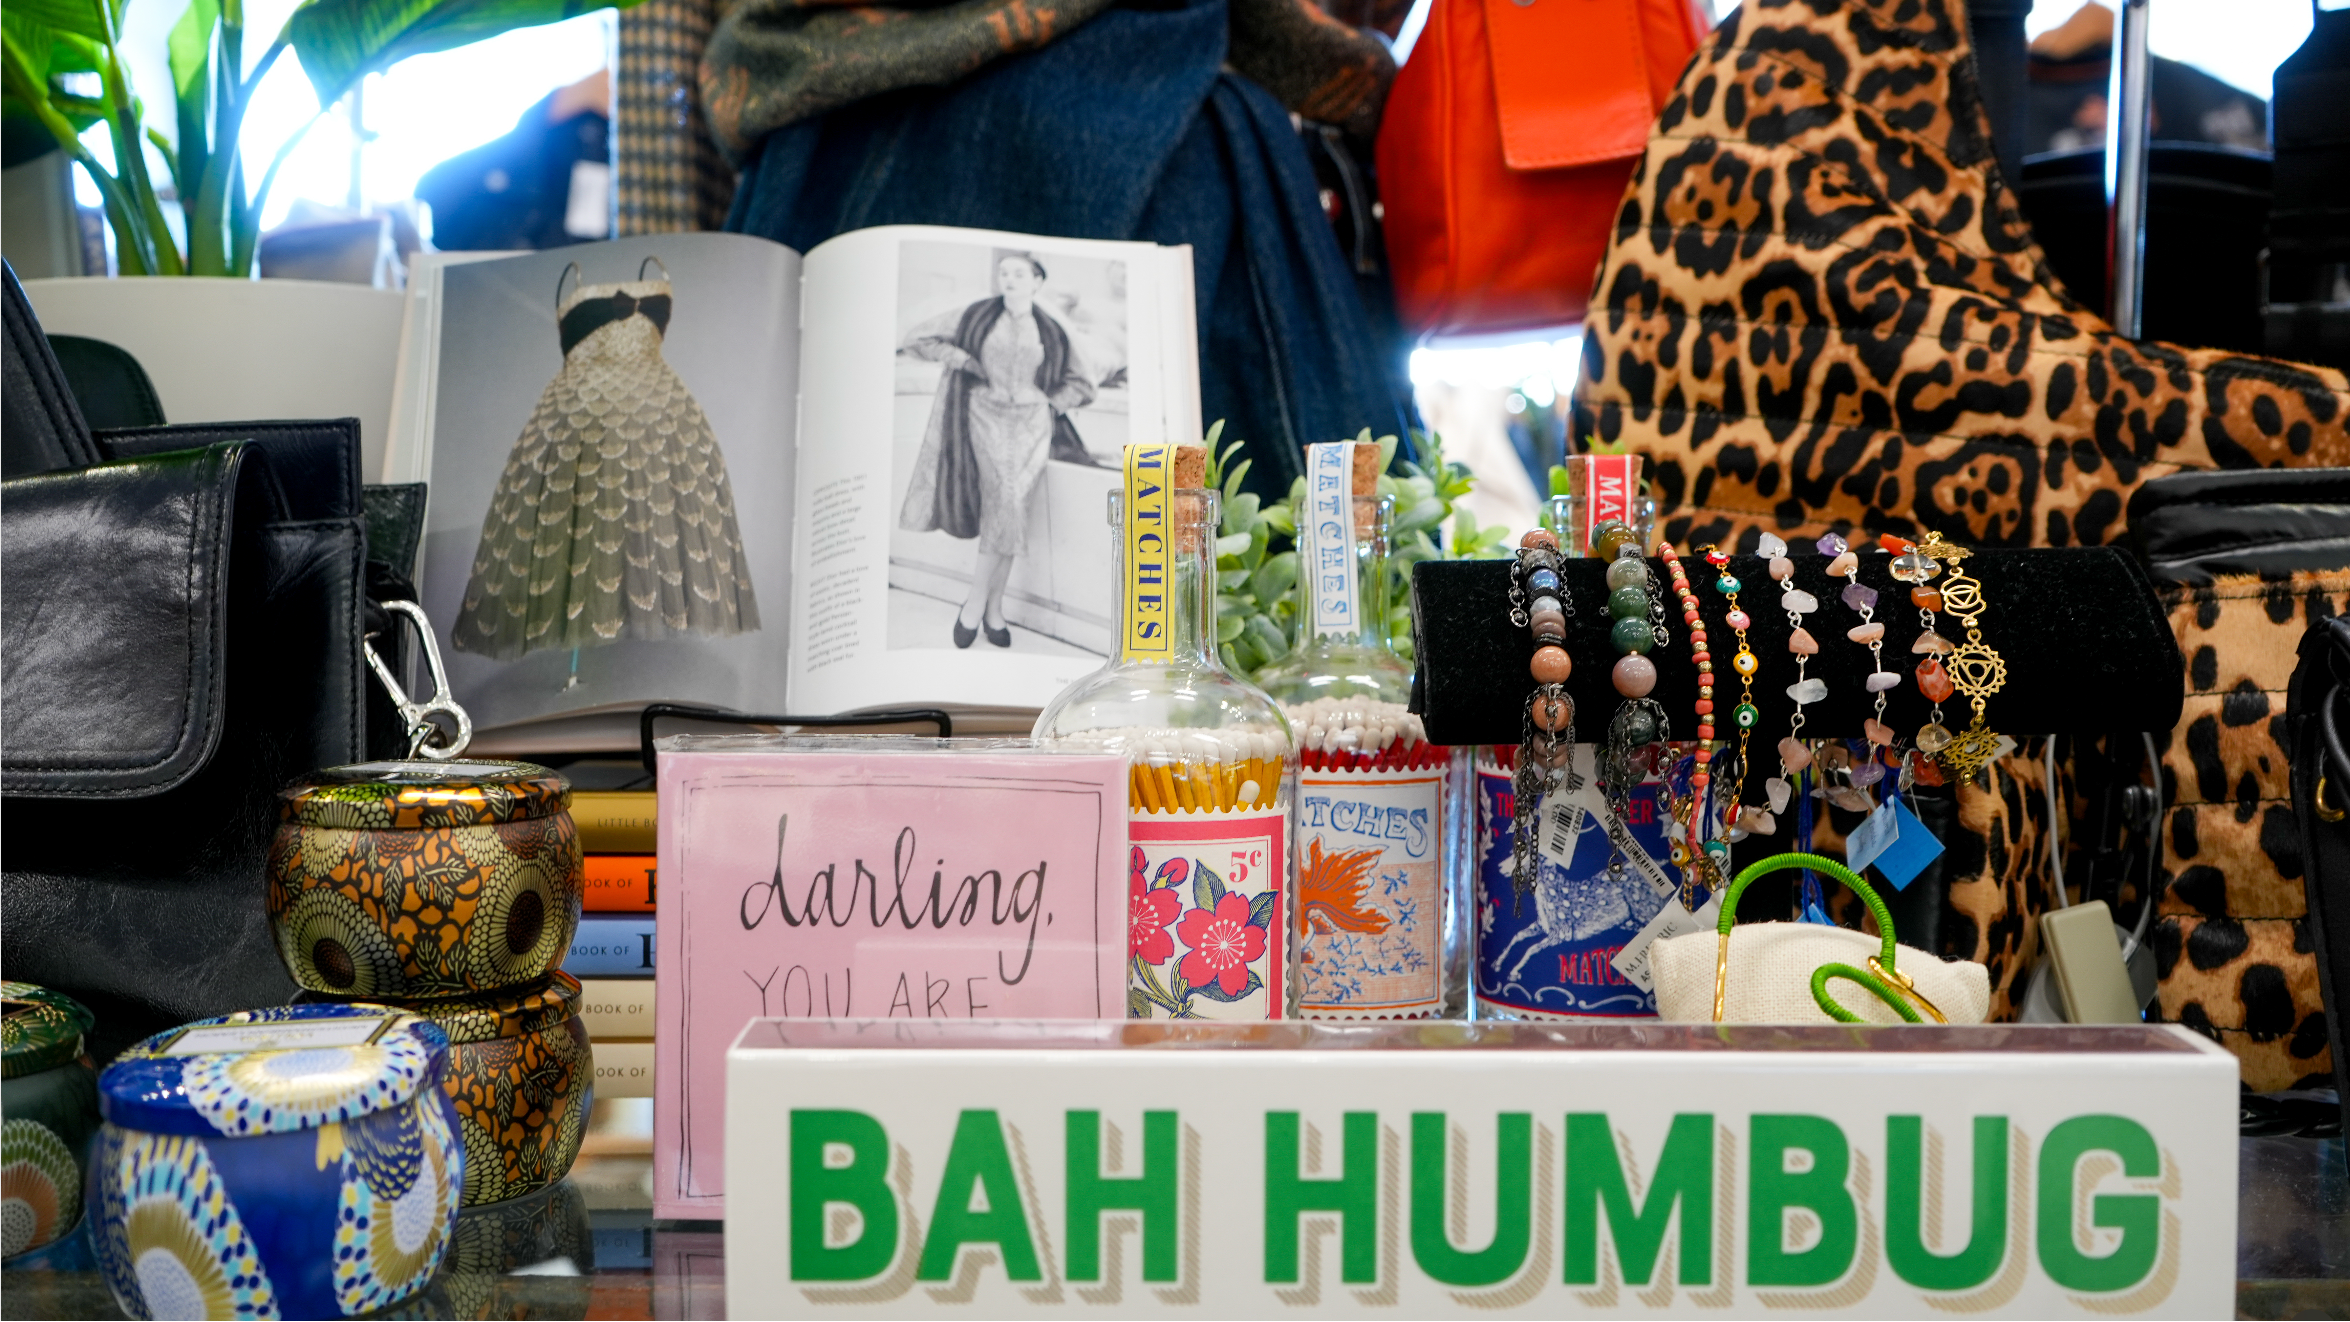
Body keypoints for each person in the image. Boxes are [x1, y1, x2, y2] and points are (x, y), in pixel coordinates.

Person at [897, 253, 1095, 648]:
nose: (1010, 279)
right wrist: (963, 359)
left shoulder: (1051, 329)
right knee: (1004, 501)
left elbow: (1084, 383)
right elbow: (916, 338)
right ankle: (981, 606)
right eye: (1004, 273)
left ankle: (987, 608)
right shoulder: (976, 315)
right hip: (983, 417)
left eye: (1019, 273)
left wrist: (1050, 403)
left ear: (1037, 281)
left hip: (1032, 426)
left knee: (1011, 508)